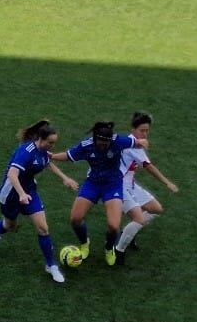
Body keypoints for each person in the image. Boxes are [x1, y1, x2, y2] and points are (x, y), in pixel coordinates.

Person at [0, 119, 81, 283]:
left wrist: (65, 178)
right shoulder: (26, 151)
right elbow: (12, 174)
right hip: (11, 193)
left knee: (43, 229)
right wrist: (21, 194)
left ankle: (51, 266)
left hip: (29, 191)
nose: (52, 146)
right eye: (50, 142)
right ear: (41, 139)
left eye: (54, 143)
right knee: (9, 225)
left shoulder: (44, 151)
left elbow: (48, 163)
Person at [65, 121, 147, 266]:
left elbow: (136, 141)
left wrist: (142, 142)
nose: (103, 145)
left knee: (114, 226)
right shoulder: (86, 145)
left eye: (106, 143)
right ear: (95, 138)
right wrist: (50, 155)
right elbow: (68, 156)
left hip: (113, 185)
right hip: (93, 184)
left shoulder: (118, 141)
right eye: (101, 142)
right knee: (75, 218)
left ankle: (109, 249)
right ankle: (85, 243)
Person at [113, 110, 180, 257]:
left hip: (130, 185)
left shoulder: (133, 143)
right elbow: (149, 167)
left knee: (156, 209)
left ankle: (129, 232)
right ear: (133, 130)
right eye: (142, 130)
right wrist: (167, 183)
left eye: (147, 131)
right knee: (140, 219)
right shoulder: (132, 145)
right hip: (119, 187)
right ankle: (119, 251)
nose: (145, 134)